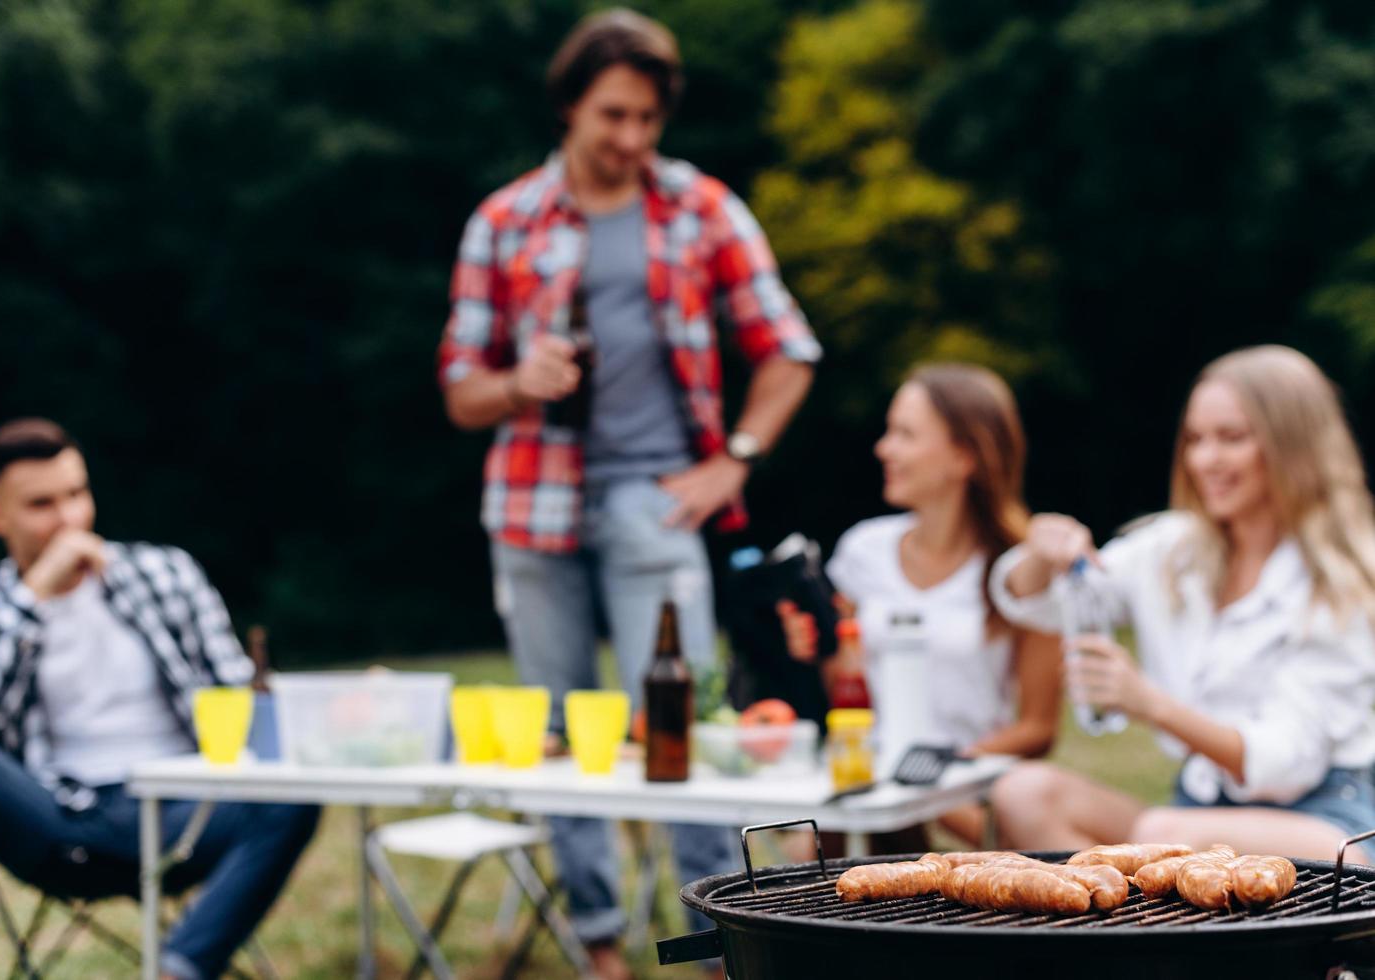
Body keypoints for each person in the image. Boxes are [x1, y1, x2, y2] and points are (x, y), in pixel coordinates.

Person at [437, 9, 819, 977]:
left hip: (659, 501)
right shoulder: (504, 221)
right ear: (569, 106)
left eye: (647, 118)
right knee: (559, 731)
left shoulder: (701, 210)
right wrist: (517, 381)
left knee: (677, 733)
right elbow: (458, 390)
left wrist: (733, 457)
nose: (631, 138)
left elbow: (787, 349)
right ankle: (598, 943)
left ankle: (710, 945)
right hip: (532, 504)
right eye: (613, 114)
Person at [0, 419, 320, 980]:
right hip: (57, 823)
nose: (69, 519)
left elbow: (237, 702)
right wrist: (33, 601)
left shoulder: (163, 573)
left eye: (77, 495)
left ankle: (177, 972)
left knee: (295, 793)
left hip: (184, 811)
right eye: (41, 504)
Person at [987, 345, 1375, 861]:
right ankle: (1106, 932)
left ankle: (1142, 930)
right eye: (1194, 439)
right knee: (1022, 792)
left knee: (1168, 834)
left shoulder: (1342, 580)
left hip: (1323, 824)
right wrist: (1042, 552)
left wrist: (1150, 703)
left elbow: (1283, 765)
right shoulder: (1172, 549)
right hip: (1194, 811)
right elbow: (1038, 604)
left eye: (1230, 438)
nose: (1203, 460)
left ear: (1292, 446)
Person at [776, 363, 1062, 846]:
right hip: (867, 782)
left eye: (905, 434)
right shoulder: (863, 552)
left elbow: (1038, 727)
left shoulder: (1019, 572)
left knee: (870, 829)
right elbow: (841, 690)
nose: (883, 448)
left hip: (967, 794)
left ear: (964, 455)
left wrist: (933, 770)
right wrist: (810, 649)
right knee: (820, 841)